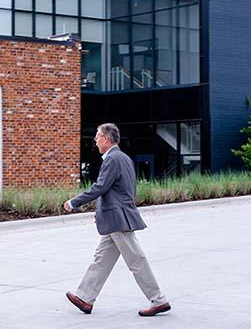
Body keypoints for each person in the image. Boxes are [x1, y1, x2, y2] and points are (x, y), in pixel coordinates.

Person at [64, 123, 171, 317]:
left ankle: (158, 299)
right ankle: (85, 298)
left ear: (105, 139)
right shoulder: (123, 158)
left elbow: (100, 187)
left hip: (118, 218)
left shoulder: (113, 159)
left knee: (136, 259)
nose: (95, 141)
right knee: (101, 260)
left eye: (97, 137)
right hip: (116, 218)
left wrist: (74, 201)